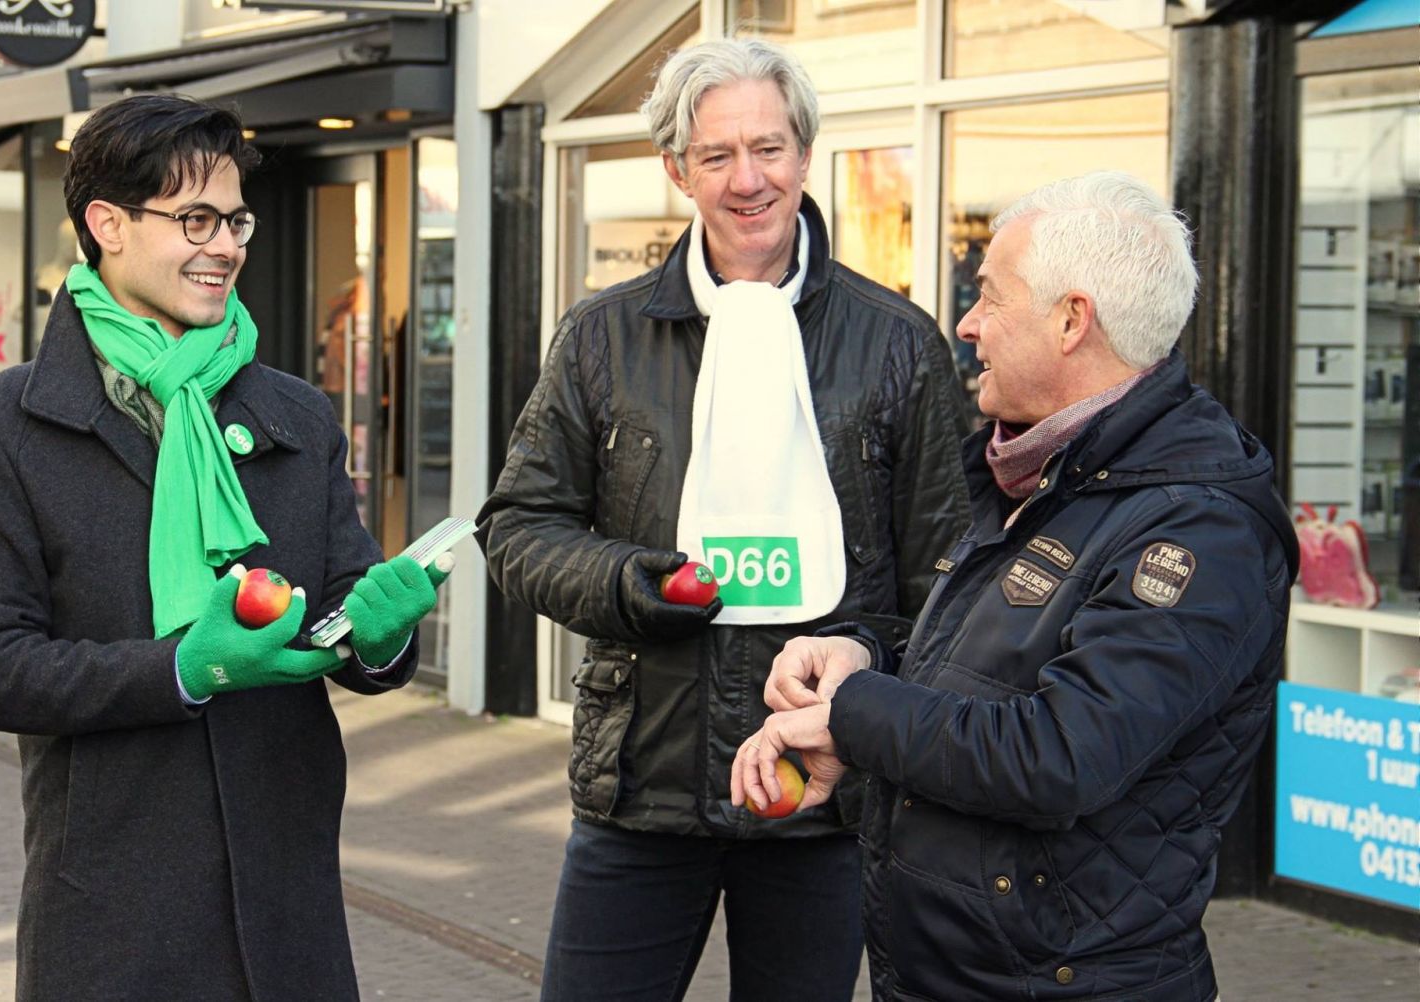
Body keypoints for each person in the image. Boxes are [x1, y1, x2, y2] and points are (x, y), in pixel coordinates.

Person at [475, 38, 969, 1001]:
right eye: (717, 156)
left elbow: (951, 580)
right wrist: (632, 584)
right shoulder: (603, 336)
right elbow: (519, 528)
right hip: (642, 788)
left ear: (805, 154)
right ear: (676, 170)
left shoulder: (898, 343)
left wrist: (865, 654)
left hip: (822, 800)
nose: (749, 180)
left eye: (770, 148)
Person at [733, 172, 1299, 1002]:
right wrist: (862, 658)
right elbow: (983, 667)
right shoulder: (1034, 472)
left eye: (990, 298)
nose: (966, 325)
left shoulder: (1198, 528)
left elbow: (1059, 753)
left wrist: (854, 720)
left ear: (1073, 321)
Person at [0, 94, 445, 1001]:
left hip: (286, 902)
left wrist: (380, 636)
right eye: (194, 218)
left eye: (236, 218)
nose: (226, 245)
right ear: (108, 225)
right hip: (110, 902)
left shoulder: (294, 413)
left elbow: (341, 592)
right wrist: (184, 669)